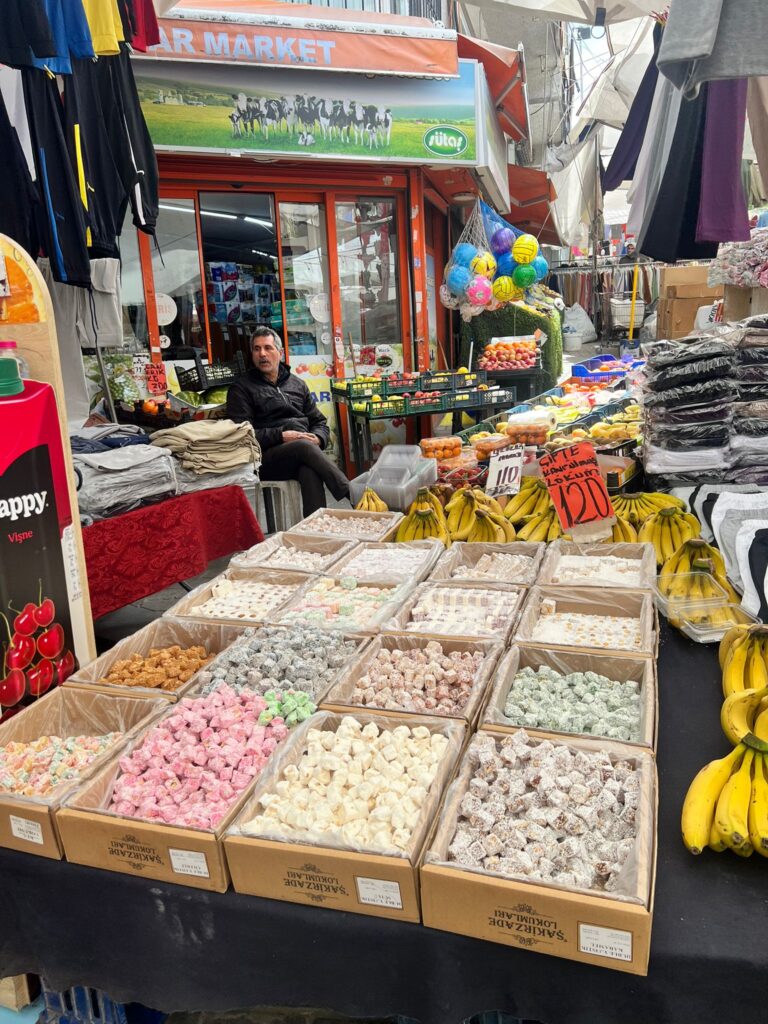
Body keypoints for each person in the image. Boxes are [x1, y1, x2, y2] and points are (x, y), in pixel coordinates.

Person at [226, 327, 350, 516]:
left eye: (268, 348)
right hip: (264, 460)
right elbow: (242, 435)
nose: (262, 354)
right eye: (257, 349)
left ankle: (315, 530)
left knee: (309, 468)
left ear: (280, 353)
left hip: (302, 453)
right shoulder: (242, 388)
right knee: (303, 447)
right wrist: (281, 436)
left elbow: (319, 421)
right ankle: (353, 493)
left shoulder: (297, 384)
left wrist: (317, 438)